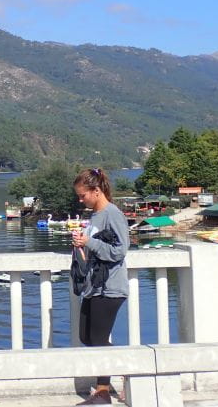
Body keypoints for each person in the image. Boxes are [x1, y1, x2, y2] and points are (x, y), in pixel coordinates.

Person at [71, 167, 130, 405]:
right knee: (86, 336)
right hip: (94, 287)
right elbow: (95, 247)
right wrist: (82, 244)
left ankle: (103, 392)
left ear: (96, 191)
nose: (80, 200)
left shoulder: (112, 213)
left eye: (83, 195)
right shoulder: (95, 215)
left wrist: (90, 242)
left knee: (97, 339)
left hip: (110, 287)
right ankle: (126, 368)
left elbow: (120, 250)